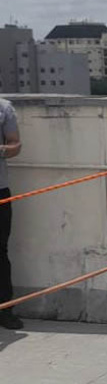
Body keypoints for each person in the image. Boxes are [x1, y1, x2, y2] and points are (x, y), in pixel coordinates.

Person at [0, 98, 24, 331]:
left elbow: (15, 145)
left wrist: (1, 150)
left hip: (0, 192)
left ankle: (5, 310)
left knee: (0, 251)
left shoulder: (3, 108)